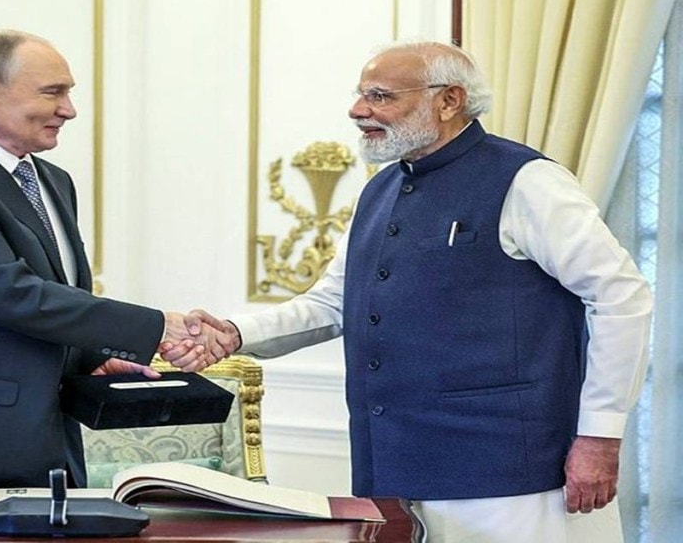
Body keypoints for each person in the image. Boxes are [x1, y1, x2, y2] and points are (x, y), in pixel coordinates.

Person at [183, 41, 652, 542]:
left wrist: (600, 436)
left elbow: (621, 297)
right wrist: (234, 333)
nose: (358, 110)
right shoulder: (379, 189)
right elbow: (333, 303)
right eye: (361, 95)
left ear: (449, 101)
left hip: (515, 475)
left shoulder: (528, 181)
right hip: (394, 467)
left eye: (381, 96)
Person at [0, 30, 227, 492]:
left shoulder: (52, 179)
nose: (69, 110)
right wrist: (157, 327)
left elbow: (60, 293)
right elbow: (8, 294)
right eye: (53, 92)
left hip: (42, 438)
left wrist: (94, 357)